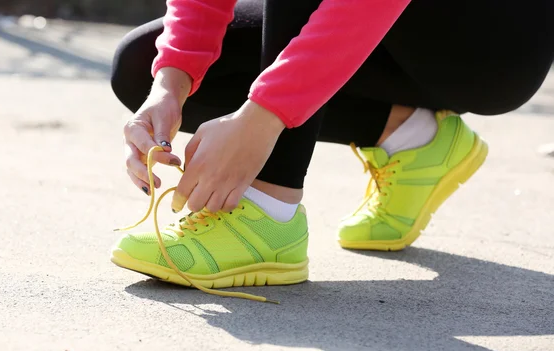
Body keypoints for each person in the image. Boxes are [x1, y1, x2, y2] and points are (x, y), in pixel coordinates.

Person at [109, 0, 554, 292]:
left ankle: (268, 211)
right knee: (140, 65)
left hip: (492, 37)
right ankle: (416, 139)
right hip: (390, 32)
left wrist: (262, 117)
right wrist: (170, 82)